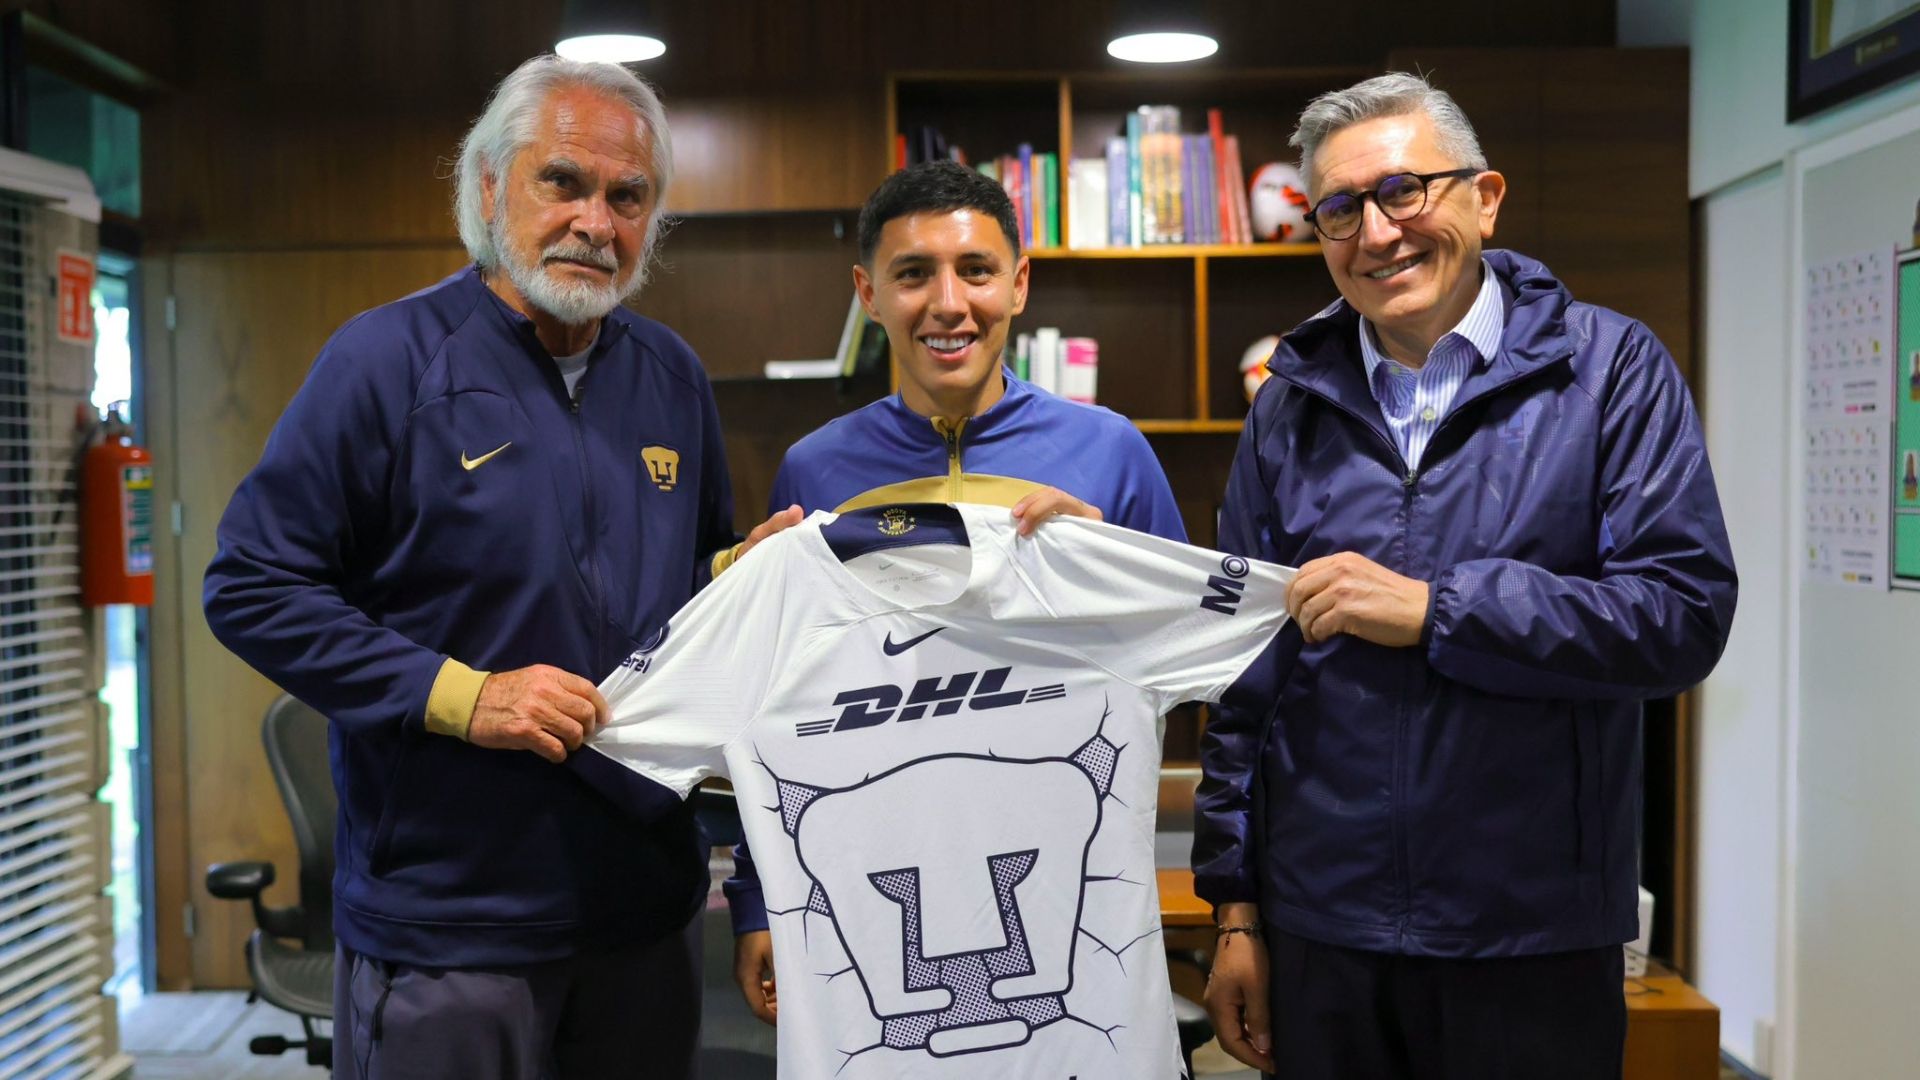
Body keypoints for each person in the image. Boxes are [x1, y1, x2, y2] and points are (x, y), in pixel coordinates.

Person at [203, 55, 795, 1079]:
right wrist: (460, 695)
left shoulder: (672, 378)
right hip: (452, 926)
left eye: (627, 196)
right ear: (487, 188)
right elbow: (252, 586)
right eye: (561, 181)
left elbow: (680, 593)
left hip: (644, 917)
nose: (595, 222)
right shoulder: (383, 362)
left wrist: (744, 574)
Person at [1196, 72, 1737, 1079]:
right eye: (1340, 209)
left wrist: (1442, 610)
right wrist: (1234, 913)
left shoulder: (1610, 370)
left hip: (1529, 932)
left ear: (1484, 197)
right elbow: (1244, 679)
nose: (1377, 233)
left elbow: (1680, 616)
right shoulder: (1289, 403)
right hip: (1326, 932)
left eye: (1406, 191)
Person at [727, 159, 1189, 1024]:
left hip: (1066, 872)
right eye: (913, 274)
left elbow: (1195, 670)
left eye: (976, 270)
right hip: (877, 877)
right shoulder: (814, 468)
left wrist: (1103, 574)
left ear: (1018, 284)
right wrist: (759, 899)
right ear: (868, 292)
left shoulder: (1111, 453)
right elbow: (773, 707)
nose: (948, 303)